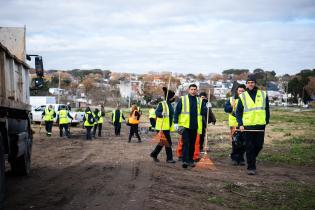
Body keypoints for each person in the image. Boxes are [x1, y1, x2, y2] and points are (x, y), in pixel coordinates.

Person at [236, 74, 270, 175]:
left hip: (260, 125)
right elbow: (238, 112)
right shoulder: (242, 96)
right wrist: (240, 124)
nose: (250, 84)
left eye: (252, 82)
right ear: (246, 84)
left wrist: (266, 120)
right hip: (248, 126)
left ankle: (251, 158)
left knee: (259, 146)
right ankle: (251, 167)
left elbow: (267, 109)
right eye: (249, 83)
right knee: (250, 146)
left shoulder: (263, 94)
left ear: (255, 84)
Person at [174, 84, 206, 168]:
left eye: (195, 89)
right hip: (184, 126)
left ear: (197, 90)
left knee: (192, 144)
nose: (193, 91)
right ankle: (184, 160)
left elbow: (203, 112)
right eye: (191, 89)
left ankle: (190, 160)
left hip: (195, 126)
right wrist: (176, 123)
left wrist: (207, 105)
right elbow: (177, 111)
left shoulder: (199, 100)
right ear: (189, 90)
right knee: (186, 143)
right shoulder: (183, 99)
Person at [150, 87, 176, 163]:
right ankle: (169, 158)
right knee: (168, 142)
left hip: (167, 127)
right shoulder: (162, 104)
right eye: (173, 96)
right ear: (170, 97)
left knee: (162, 142)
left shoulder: (170, 104)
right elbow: (157, 112)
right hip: (162, 127)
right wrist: (161, 114)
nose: (174, 98)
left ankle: (154, 154)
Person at [224, 84, 246, 166]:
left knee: (244, 142)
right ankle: (234, 158)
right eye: (240, 91)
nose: (241, 92)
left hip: (245, 124)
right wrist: (231, 106)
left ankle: (241, 158)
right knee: (235, 142)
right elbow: (226, 109)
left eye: (243, 91)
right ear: (237, 91)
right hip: (234, 124)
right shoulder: (231, 99)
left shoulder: (247, 100)